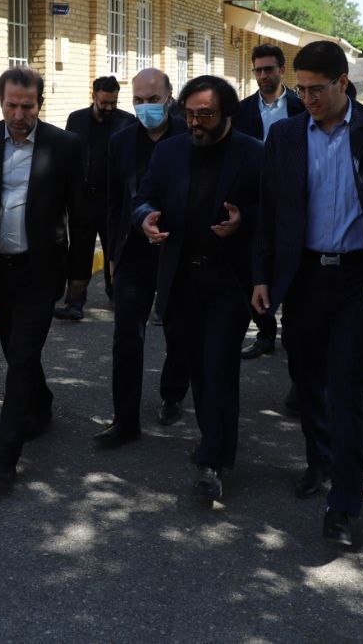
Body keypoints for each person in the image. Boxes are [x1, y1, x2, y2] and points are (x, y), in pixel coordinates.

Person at [251, 40, 363, 548]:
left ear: (343, 83)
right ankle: (319, 460)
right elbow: (268, 212)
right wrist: (262, 276)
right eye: (300, 89)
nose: (306, 99)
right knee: (308, 381)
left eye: (316, 90)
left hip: (357, 280)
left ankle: (344, 505)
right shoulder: (285, 135)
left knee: (348, 390)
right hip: (303, 278)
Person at [0, 67, 94, 489]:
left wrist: (79, 275)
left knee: (20, 359)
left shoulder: (65, 145)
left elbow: (81, 214)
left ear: (40, 104)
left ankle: (4, 459)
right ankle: (43, 403)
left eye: (27, 106)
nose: (19, 115)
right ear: (0, 102)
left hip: (41, 270)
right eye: (11, 106)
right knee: (14, 351)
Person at [134, 75, 262, 501]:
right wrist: (146, 218)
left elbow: (273, 210)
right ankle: (215, 442)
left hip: (228, 281)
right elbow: (144, 198)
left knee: (218, 366)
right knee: (197, 368)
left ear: (226, 113)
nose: (194, 123)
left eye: (205, 114)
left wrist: (244, 221)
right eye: (189, 114)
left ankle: (213, 461)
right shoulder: (169, 151)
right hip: (181, 278)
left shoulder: (253, 153)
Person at [93, 68, 190, 447]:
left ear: (169, 99)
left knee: (179, 332)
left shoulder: (188, 135)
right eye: (138, 100)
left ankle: (172, 394)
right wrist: (112, 255)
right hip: (133, 252)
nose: (145, 107)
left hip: (178, 252)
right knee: (126, 336)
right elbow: (114, 202)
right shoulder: (121, 141)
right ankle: (124, 420)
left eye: (153, 100)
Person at [232, 44, 305, 361]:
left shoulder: (301, 106)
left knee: (294, 266)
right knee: (254, 267)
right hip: (255, 198)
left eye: (268, 69)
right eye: (258, 70)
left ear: (281, 70)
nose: (263, 75)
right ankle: (265, 333)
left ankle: (294, 331)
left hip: (294, 197)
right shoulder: (242, 111)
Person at [55, 76, 135, 320]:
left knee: (115, 249)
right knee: (79, 251)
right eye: (104, 103)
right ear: (94, 97)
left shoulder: (127, 121)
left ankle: (117, 295)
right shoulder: (76, 119)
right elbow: (67, 155)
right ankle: (74, 303)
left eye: (113, 102)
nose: (109, 107)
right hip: (83, 199)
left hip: (114, 200)